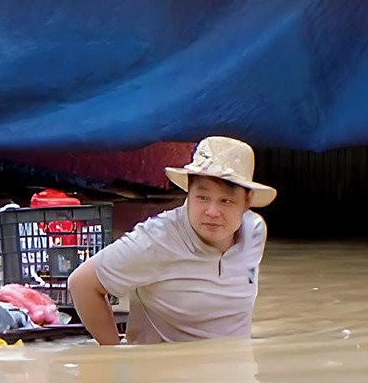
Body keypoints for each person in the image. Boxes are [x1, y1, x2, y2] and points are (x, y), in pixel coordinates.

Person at [66, 136, 275, 345]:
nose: (212, 212)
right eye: (202, 198)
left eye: (226, 201)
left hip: (235, 370)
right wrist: (112, 356)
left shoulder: (254, 231)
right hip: (172, 374)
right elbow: (82, 284)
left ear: (247, 202)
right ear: (188, 192)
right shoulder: (158, 238)